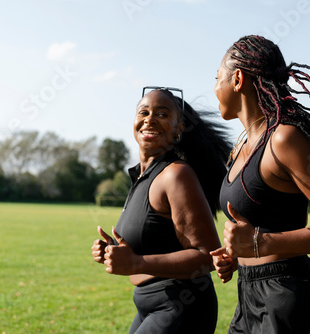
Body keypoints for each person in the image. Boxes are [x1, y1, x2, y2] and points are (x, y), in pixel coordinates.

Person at [210, 35, 310, 334]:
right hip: (248, 295)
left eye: (217, 78)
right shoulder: (241, 146)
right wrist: (236, 255)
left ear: (236, 79)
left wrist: (259, 243)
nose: (215, 88)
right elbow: (260, 223)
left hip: (288, 296)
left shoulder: (284, 139)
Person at [92, 86, 231, 334]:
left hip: (181, 306)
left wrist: (135, 262)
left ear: (179, 129)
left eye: (162, 114)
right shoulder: (143, 176)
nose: (149, 119)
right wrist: (113, 250)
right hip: (150, 304)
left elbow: (206, 255)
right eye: (143, 112)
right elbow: (156, 238)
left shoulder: (176, 175)